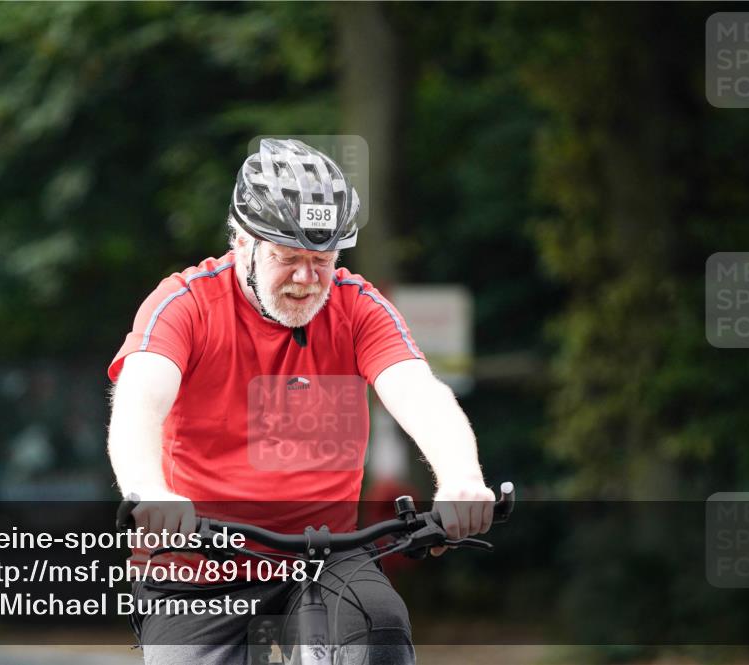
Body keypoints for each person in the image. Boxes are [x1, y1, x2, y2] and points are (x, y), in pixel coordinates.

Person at [107, 138, 495, 664]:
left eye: (323, 260)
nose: (307, 279)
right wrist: (148, 490)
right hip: (197, 562)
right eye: (288, 258)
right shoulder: (186, 304)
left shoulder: (357, 307)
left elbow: (419, 392)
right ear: (242, 243)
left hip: (325, 556)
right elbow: (139, 400)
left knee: (379, 631)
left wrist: (461, 478)